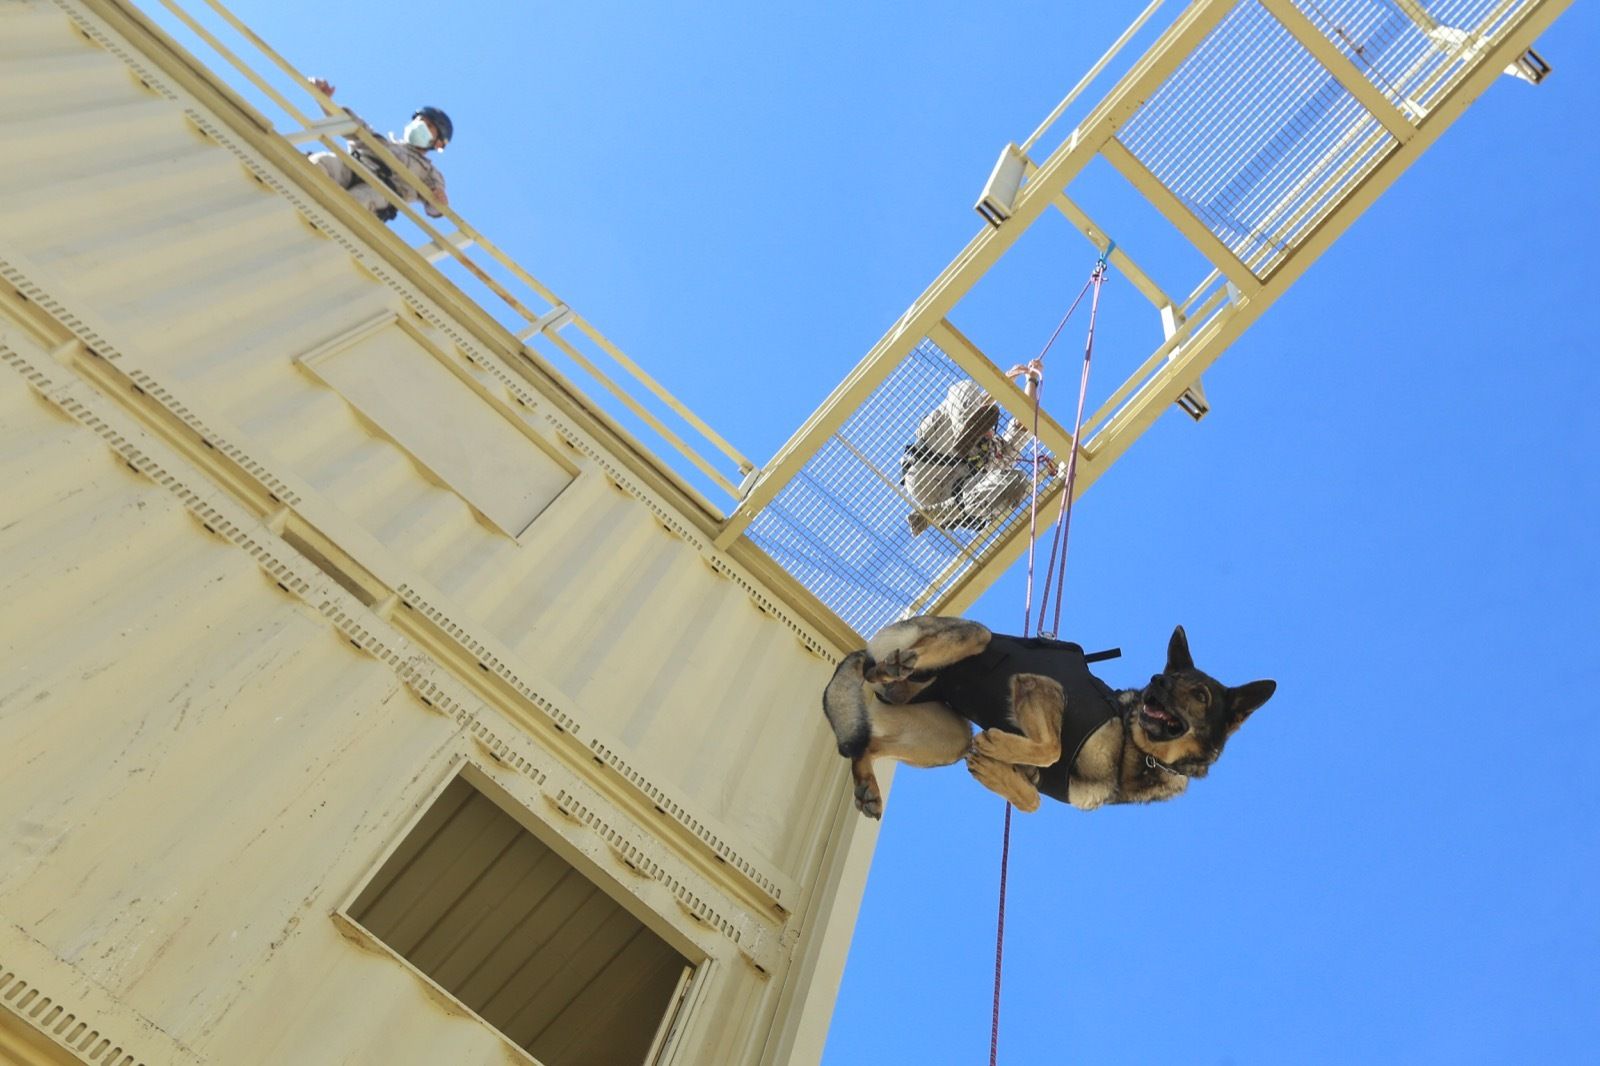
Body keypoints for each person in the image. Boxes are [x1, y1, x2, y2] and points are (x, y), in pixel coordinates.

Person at [902, 359, 1050, 536]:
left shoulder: (999, 453)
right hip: (929, 465)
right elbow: (979, 401)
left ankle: (936, 514)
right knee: (965, 388)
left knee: (1016, 481)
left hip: (950, 498)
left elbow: (1025, 422)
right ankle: (966, 425)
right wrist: (1005, 382)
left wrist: (1031, 380)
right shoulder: (982, 429)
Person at [305, 77, 451, 223]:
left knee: (359, 200)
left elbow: (435, 207)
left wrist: (439, 200)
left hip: (382, 190)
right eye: (419, 120)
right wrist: (324, 100)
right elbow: (351, 125)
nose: (420, 124)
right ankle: (302, 196)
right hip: (355, 167)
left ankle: (326, 222)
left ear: (438, 143)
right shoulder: (383, 143)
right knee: (322, 162)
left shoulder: (429, 171)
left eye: (429, 125)